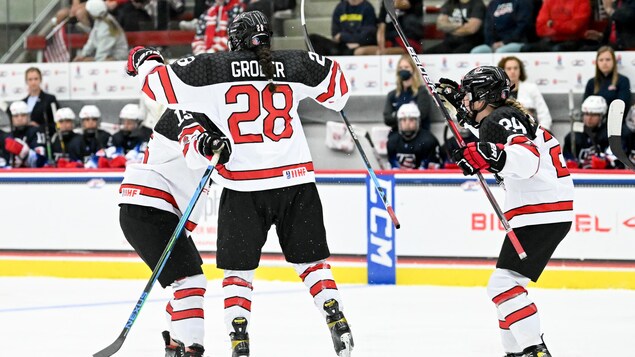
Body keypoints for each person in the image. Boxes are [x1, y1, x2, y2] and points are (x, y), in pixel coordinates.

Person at [126, 10, 354, 357]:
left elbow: (159, 87)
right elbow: (339, 94)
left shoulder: (212, 70)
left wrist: (143, 60)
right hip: (297, 181)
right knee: (311, 262)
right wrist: (314, 62)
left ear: (234, 39)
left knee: (237, 272)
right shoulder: (294, 63)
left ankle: (239, 339)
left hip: (244, 188)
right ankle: (334, 313)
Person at [437, 66, 574, 357]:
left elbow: (527, 160)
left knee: (502, 285)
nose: (464, 101)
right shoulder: (503, 117)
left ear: (485, 97)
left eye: (469, 95)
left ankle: (534, 350)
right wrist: (461, 112)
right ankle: (517, 351)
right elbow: (495, 137)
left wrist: (490, 156)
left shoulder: (501, 118)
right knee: (507, 284)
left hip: (541, 209)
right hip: (547, 208)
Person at [119, 108, 227, 357]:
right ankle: (191, 348)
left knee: (188, 283)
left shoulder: (218, 121)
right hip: (149, 206)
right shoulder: (184, 109)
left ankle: (176, 345)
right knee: (191, 282)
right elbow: (190, 136)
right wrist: (207, 142)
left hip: (156, 210)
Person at [562, 95, 618, 169]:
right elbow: (565, 157)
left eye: (594, 115)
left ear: (602, 116)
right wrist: (569, 162)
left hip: (604, 177)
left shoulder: (611, 135)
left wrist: (606, 162)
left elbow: (618, 162)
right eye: (586, 114)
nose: (589, 118)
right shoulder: (572, 137)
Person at [498, 56, 552, 130]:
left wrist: (542, 132)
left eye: (515, 68)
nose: (512, 71)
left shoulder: (531, 88)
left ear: (520, 70)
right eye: (509, 69)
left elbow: (544, 114)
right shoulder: (497, 91)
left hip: (530, 131)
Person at [383, 54, 433, 132]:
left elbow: (422, 115)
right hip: (398, 134)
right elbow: (387, 119)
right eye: (400, 68)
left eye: (406, 67)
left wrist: (398, 115)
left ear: (413, 70)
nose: (403, 70)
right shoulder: (392, 95)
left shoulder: (421, 92)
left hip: (419, 134)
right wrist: (410, 115)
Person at [308, 0, 378, 56]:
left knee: (354, 50)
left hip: (358, 45)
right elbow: (335, 34)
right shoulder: (340, 7)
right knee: (312, 39)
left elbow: (367, 35)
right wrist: (349, 37)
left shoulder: (367, 8)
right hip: (341, 46)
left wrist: (342, 35)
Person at [520, 0, 591, 52]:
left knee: (557, 49)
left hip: (575, 41)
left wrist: (553, 24)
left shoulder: (582, 1)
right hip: (551, 40)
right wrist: (559, 28)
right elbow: (540, 29)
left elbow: (574, 27)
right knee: (525, 49)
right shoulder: (549, 2)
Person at [387, 103, 441, 169]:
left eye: (411, 120)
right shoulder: (392, 141)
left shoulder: (429, 141)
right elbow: (393, 166)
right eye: (404, 120)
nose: (407, 124)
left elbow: (433, 170)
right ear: (398, 122)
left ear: (418, 121)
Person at [583, 46, 631, 116]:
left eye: (608, 59)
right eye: (601, 60)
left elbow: (622, 106)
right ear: (597, 62)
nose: (604, 63)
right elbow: (585, 107)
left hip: (615, 122)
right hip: (593, 123)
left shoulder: (623, 81)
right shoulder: (591, 82)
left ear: (614, 61)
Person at [17, 67, 59, 136]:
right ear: (26, 81)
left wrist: (39, 127)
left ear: (40, 80)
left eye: (36, 79)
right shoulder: (22, 103)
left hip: (44, 137)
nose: (33, 82)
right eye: (30, 79)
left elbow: (57, 122)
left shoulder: (49, 99)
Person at [108, 103, 153, 167]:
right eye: (124, 121)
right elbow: (111, 155)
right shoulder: (117, 136)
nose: (126, 125)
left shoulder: (148, 134)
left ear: (139, 122)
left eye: (129, 122)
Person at [5, 101, 47, 168]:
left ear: (28, 116)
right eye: (16, 116)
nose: (20, 118)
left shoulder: (36, 132)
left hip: (31, 175)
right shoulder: (9, 136)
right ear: (11, 119)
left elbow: (41, 161)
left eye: (23, 115)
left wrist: (24, 153)